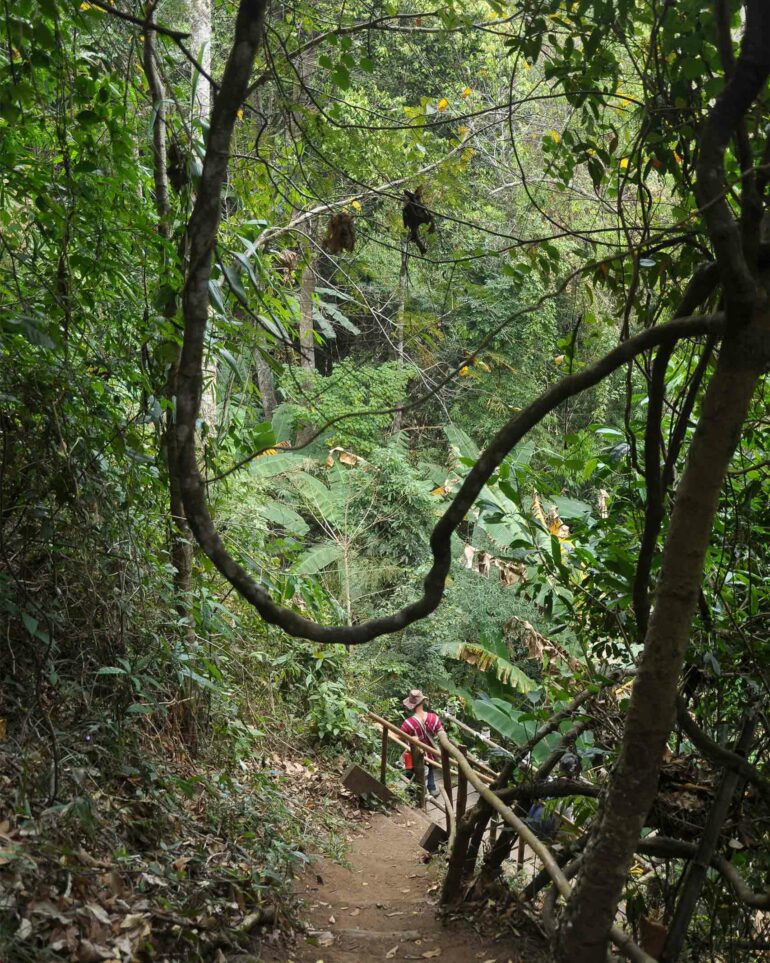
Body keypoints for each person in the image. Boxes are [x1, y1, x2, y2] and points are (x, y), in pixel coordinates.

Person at [400, 689, 443, 799]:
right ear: (423, 702)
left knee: (413, 772)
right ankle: (432, 789)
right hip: (430, 753)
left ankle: (412, 792)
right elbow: (441, 734)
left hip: (415, 755)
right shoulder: (434, 718)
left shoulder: (408, 723)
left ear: (411, 705)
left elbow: (398, 736)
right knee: (429, 766)